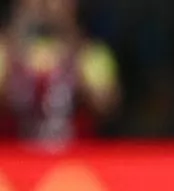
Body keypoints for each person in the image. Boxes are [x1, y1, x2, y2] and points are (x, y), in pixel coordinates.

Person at [0, 0, 119, 145]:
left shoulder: (92, 54)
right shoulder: (4, 52)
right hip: (12, 159)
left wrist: (77, 78)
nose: (45, 6)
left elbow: (107, 107)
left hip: (75, 160)